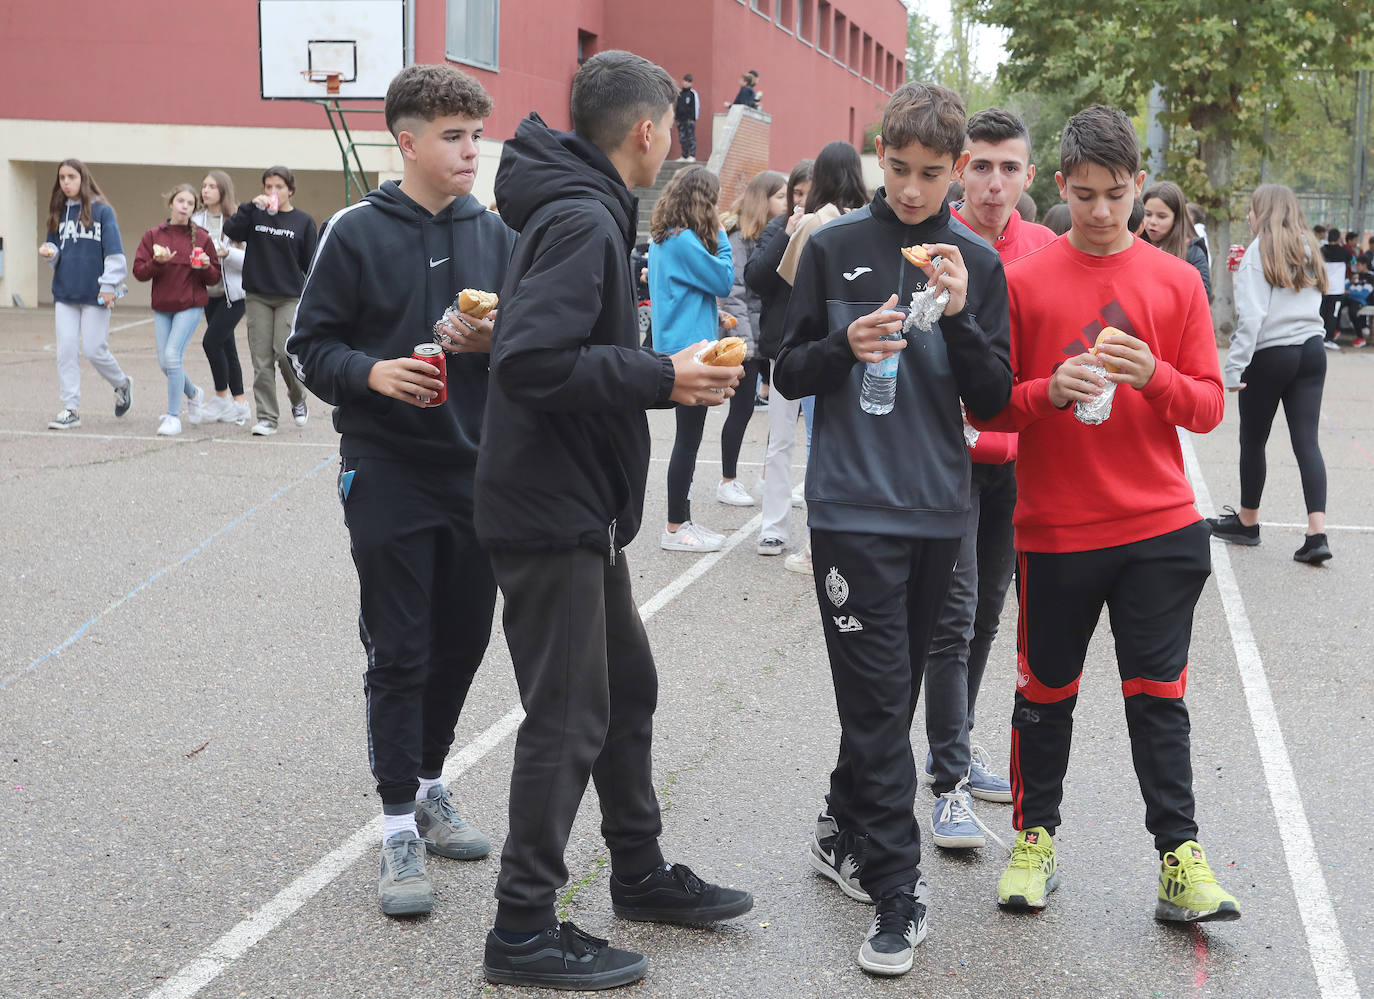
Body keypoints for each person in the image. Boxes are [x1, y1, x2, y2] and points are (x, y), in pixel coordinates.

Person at [474, 50, 752, 990]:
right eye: (671, 126)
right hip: (548, 509)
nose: (673, 141)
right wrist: (662, 375)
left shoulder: (580, 205)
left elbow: (533, 345)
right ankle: (522, 927)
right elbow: (531, 362)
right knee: (568, 714)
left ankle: (636, 871)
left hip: (578, 505)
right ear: (647, 132)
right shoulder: (584, 216)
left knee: (625, 687)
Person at [971, 104, 1240, 925]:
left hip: (1160, 528)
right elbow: (992, 410)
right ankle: (1034, 839)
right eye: (1083, 194)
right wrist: (1047, 392)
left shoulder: (1177, 280)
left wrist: (1155, 373)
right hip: (1053, 530)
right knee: (1044, 694)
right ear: (1059, 185)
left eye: (1116, 195)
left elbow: (1206, 409)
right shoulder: (1021, 280)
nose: (1099, 211)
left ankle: (1179, 858)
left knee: (1159, 696)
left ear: (1137, 189)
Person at [775, 83, 1012, 977]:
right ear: (879, 155)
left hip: (941, 512)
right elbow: (788, 369)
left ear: (957, 170)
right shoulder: (832, 248)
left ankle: (841, 825)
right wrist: (845, 348)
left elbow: (992, 399)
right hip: (848, 511)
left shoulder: (976, 264)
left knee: (894, 693)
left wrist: (957, 319)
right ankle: (897, 889)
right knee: (876, 704)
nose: (911, 190)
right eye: (898, 170)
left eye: (929, 175)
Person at [287, 64, 515, 918]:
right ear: (408, 141)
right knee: (402, 645)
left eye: (475, 135)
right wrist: (373, 373)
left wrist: (496, 336)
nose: (469, 151)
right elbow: (309, 349)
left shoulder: (497, 234)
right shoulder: (354, 230)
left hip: (476, 470)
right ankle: (394, 827)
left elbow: (528, 345)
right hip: (385, 468)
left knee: (462, 641)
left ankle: (429, 780)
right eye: (453, 137)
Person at [922, 107, 1056, 850]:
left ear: (1028, 176)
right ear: (958, 171)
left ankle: (958, 743)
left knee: (985, 618)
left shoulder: (1042, 247)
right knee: (952, 614)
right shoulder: (933, 244)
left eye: (1009, 168)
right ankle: (945, 777)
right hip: (947, 460)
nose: (994, 182)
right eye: (981, 166)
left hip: (1017, 460)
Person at [1206, 185, 1331, 565]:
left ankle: (1248, 522)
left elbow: (1254, 318)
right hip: (1312, 349)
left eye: (1251, 209)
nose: (1248, 216)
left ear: (1264, 212)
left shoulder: (1257, 251)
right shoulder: (1309, 248)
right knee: (1307, 440)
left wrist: (1233, 367)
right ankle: (1317, 532)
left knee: (1254, 439)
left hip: (1273, 353)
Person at [767, 141, 870, 575]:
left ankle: (817, 546)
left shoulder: (816, 223)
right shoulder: (868, 219)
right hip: (869, 348)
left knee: (816, 443)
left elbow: (789, 278)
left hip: (822, 346)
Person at [648, 166, 736, 551]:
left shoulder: (664, 238)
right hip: (690, 352)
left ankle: (680, 521)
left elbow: (681, 293)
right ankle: (675, 526)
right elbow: (724, 279)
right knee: (687, 440)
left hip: (677, 343)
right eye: (713, 202)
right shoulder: (685, 240)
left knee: (689, 438)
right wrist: (720, 233)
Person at [746, 158, 814, 561]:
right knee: (780, 441)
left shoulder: (831, 228)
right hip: (783, 350)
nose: (802, 200)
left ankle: (817, 532)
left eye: (809, 193)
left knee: (821, 440)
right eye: (797, 193)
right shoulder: (780, 226)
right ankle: (773, 528)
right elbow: (756, 278)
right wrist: (785, 236)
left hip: (822, 350)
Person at [39, 159, 133, 430]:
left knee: (93, 349)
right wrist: (50, 252)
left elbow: (114, 252)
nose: (66, 182)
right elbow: (55, 250)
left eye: (71, 176)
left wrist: (108, 285)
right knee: (66, 350)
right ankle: (71, 409)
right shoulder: (58, 212)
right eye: (61, 177)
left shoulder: (103, 212)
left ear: (83, 178)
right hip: (65, 292)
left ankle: (122, 384)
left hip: (96, 293)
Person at [224, 165, 318, 435]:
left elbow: (311, 264)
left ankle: (298, 397)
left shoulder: (302, 221)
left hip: (289, 297)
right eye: (268, 187)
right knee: (261, 359)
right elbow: (232, 230)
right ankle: (267, 417)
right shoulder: (255, 214)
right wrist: (249, 207)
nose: (272, 192)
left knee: (284, 351)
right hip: (257, 296)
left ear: (290, 190)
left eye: (278, 187)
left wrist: (312, 301)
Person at [716, 169, 787, 507]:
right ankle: (727, 480)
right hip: (747, 339)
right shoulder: (739, 237)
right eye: (781, 197)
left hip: (769, 335)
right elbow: (735, 294)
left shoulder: (774, 235)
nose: (787, 203)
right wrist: (746, 342)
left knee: (780, 413)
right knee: (741, 408)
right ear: (764, 199)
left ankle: (765, 478)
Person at [131, 184, 221, 437]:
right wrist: (156, 263)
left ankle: (173, 417)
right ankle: (193, 393)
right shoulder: (153, 235)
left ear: (194, 209)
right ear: (171, 203)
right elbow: (139, 272)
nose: (185, 206)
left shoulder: (202, 237)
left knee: (172, 357)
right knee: (165, 363)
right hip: (163, 306)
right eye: (180, 201)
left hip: (190, 305)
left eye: (190, 203)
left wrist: (205, 265)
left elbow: (214, 278)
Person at [193, 171, 250, 425]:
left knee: (211, 342)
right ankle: (240, 404)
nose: (205, 190)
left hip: (234, 294)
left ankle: (221, 397)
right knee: (228, 347)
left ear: (223, 190)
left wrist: (228, 254)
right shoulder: (196, 220)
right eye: (204, 186)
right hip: (209, 292)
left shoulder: (238, 219)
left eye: (212, 186)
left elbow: (251, 259)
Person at [1141, 181, 1212, 300]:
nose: (1152, 221)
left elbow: (1202, 298)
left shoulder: (1192, 253)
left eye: (1161, 216)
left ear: (1176, 219)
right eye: (1147, 214)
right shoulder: (1131, 245)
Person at [1319, 227, 1353, 349]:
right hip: (1337, 290)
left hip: (1323, 288)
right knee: (1333, 315)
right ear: (1339, 238)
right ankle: (1329, 339)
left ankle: (1320, 338)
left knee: (1322, 313)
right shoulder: (1344, 251)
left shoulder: (1321, 250)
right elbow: (1353, 260)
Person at [674, 73, 699, 160]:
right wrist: (676, 118)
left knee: (690, 137)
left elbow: (695, 106)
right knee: (682, 138)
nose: (686, 83)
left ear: (691, 83)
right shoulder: (680, 93)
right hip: (680, 119)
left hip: (689, 120)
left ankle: (692, 155)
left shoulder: (692, 94)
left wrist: (693, 119)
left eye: (688, 82)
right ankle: (684, 155)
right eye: (685, 81)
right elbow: (677, 106)